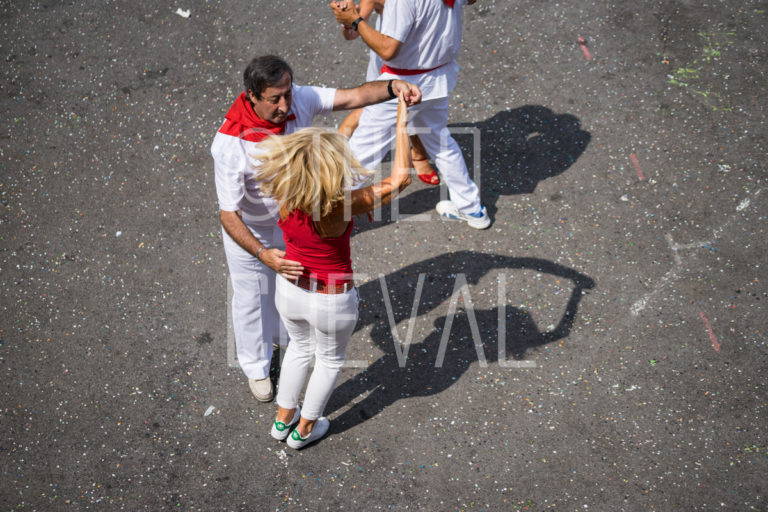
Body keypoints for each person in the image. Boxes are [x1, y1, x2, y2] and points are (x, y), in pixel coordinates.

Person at [211, 55, 421, 402]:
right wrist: (263, 254)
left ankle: (285, 339)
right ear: (252, 95)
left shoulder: (299, 98)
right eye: (274, 99)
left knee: (291, 289)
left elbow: (354, 97)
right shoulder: (230, 145)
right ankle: (256, 366)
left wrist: (392, 87)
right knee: (251, 298)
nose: (285, 106)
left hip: (295, 223)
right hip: (252, 230)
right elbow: (229, 215)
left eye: (287, 94)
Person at [254, 94, 412, 448]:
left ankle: (282, 421)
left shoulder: (285, 188)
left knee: (298, 349)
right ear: (331, 168)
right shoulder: (340, 205)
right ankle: (305, 430)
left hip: (291, 289)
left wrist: (369, 106)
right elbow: (400, 179)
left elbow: (341, 134)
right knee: (328, 360)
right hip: (331, 300)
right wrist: (401, 119)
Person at [330, 0, 491, 229]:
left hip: (401, 84)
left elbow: (388, 49)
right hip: (439, 78)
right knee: (440, 142)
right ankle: (471, 208)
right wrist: (352, 21)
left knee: (361, 153)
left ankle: (322, 217)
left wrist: (355, 21)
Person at [337, 0, 440, 186]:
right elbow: (351, 34)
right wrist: (349, 20)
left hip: (417, 62)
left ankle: (418, 153)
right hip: (387, 67)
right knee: (382, 109)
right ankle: (337, 152)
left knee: (411, 109)